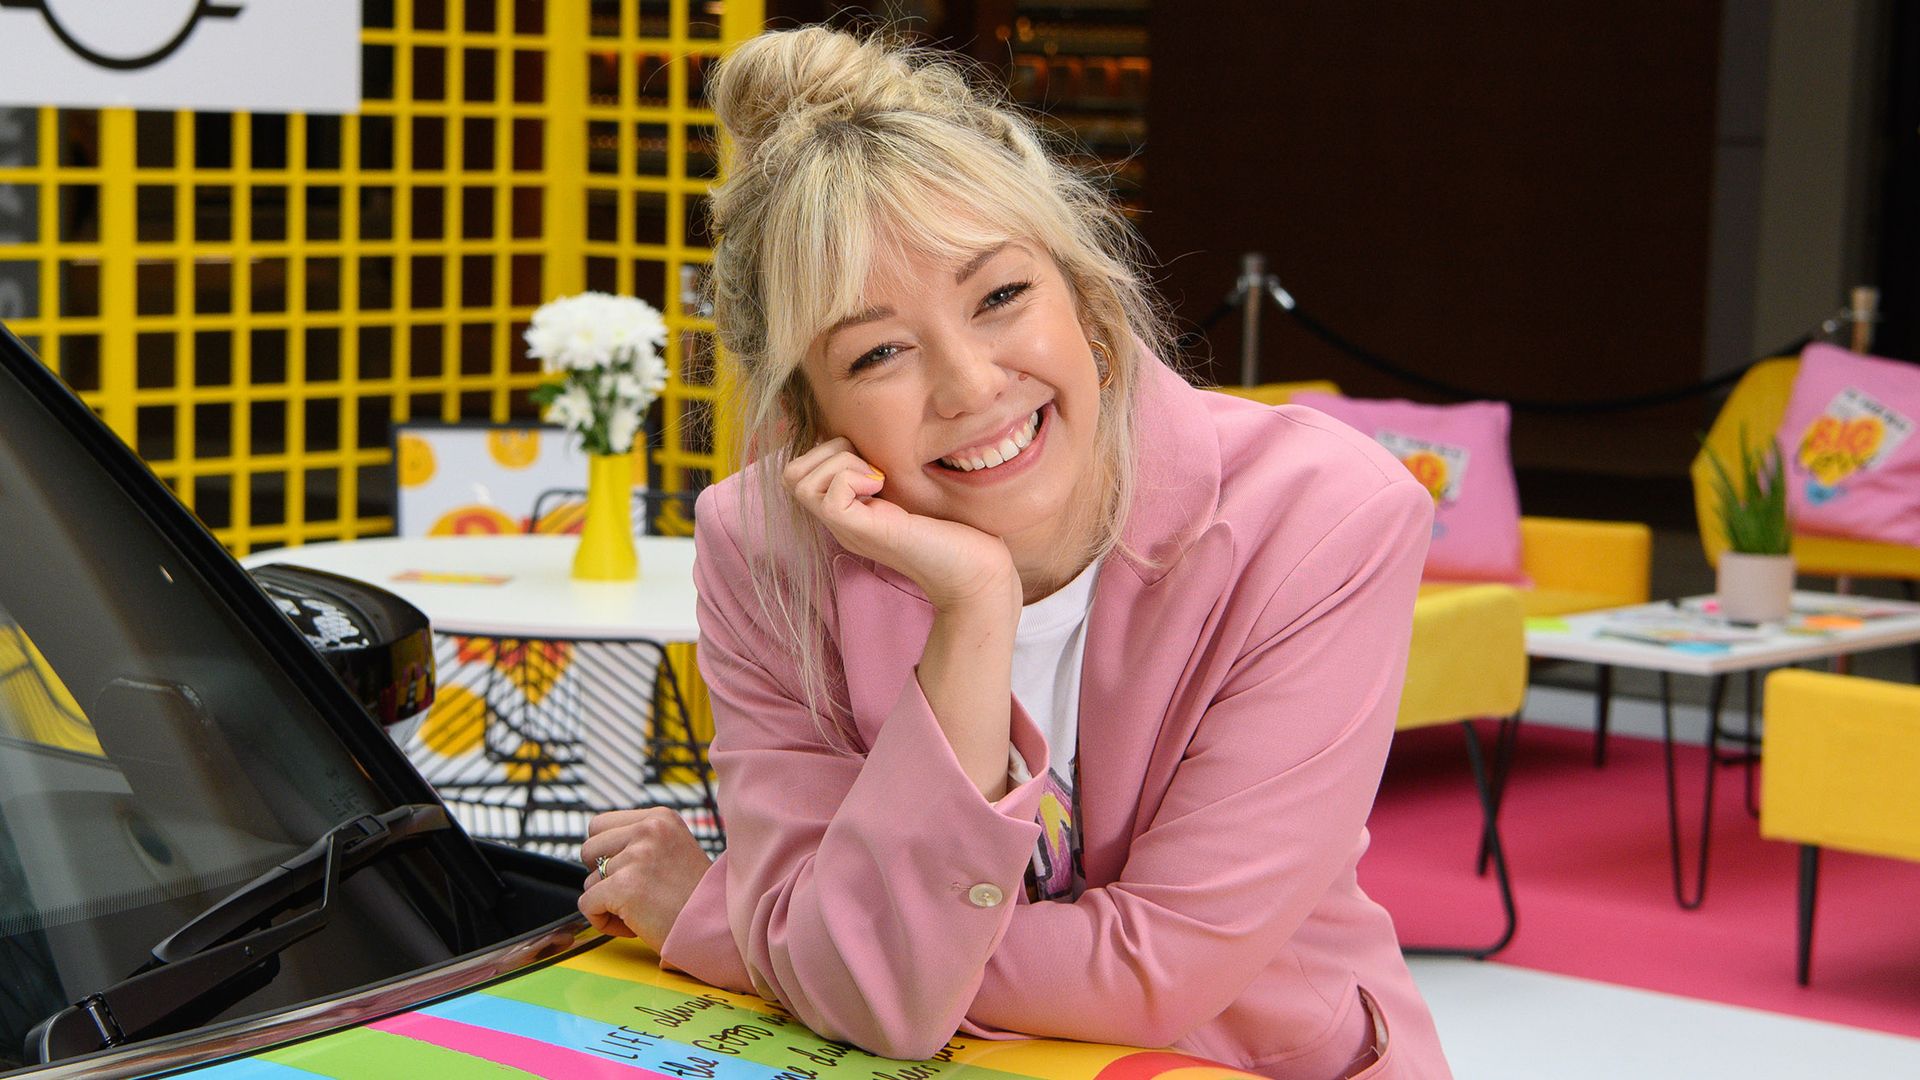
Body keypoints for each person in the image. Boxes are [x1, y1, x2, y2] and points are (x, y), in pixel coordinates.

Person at [577, 25, 1450, 1080]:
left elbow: (1158, 968)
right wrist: (974, 607)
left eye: (1000, 296)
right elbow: (866, 986)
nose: (970, 385)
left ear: (1083, 298)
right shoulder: (764, 546)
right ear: (812, 416)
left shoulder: (1318, 517)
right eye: (878, 352)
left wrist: (735, 924)